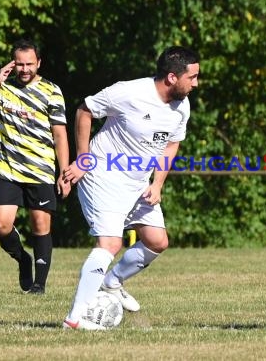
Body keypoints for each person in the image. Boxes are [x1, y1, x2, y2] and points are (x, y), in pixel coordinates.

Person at [62, 46, 200, 330]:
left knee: (157, 241)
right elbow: (85, 111)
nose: (196, 83)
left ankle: (112, 282)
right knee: (111, 244)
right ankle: (75, 319)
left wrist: (158, 183)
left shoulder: (181, 106)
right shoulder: (129, 92)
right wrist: (84, 158)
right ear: (172, 77)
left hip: (138, 184)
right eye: (193, 77)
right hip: (104, 175)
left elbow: (171, 144)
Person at [0, 39, 70, 295]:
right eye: (20, 64)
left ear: (39, 63)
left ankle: (39, 284)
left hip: (40, 170)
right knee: (1, 224)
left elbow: (60, 134)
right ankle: (22, 259)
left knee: (41, 226)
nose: (25, 69)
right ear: (12, 63)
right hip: (8, 169)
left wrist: (65, 172)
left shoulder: (52, 90)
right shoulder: (4, 89)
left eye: (29, 64)